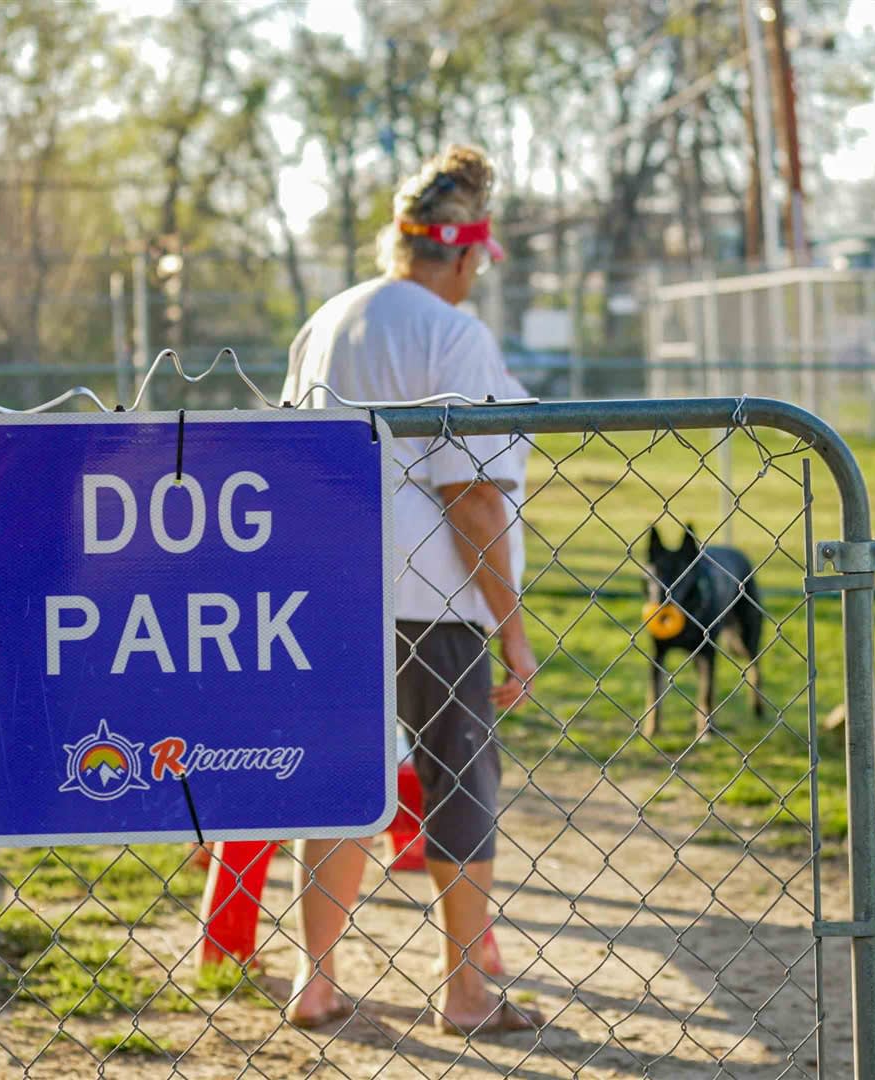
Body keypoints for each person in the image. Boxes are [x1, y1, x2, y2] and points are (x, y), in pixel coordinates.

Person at [279, 144, 542, 1036]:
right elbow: (470, 497)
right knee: (459, 783)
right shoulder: (452, 333)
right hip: (433, 598)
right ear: (467, 254)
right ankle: (465, 992)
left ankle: (315, 980)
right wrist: (512, 627)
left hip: (328, 593)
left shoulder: (329, 319)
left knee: (343, 786)